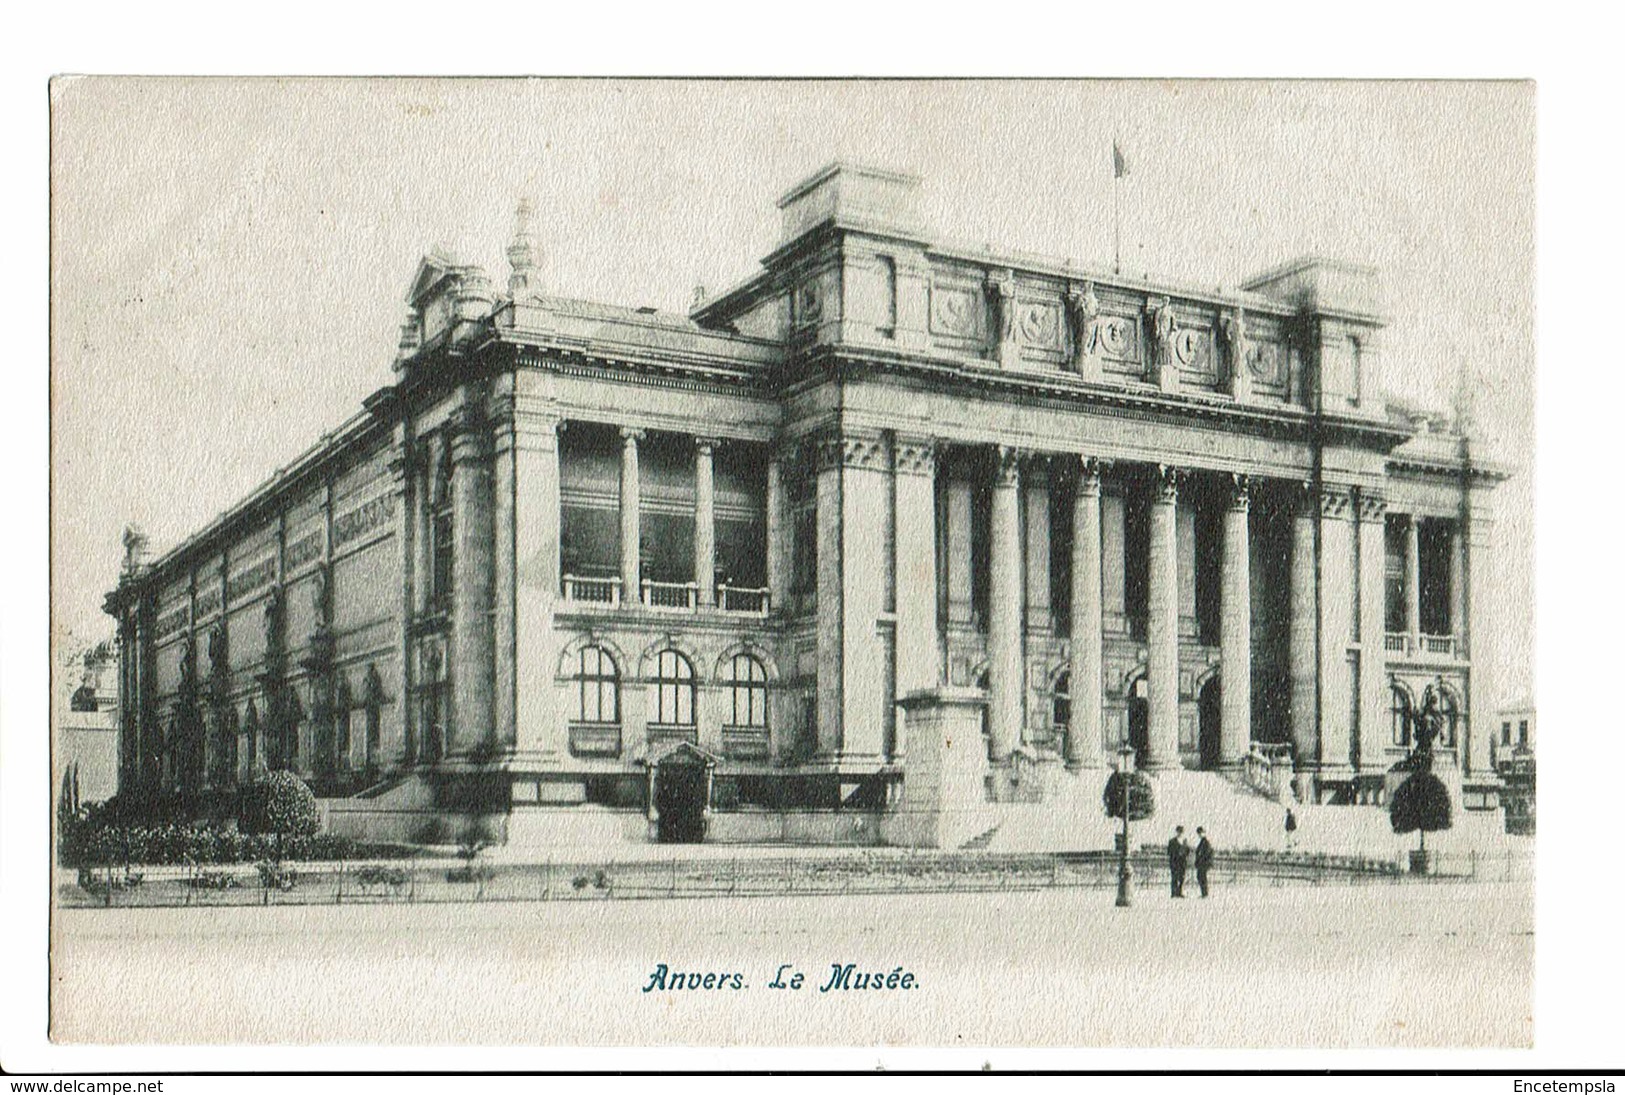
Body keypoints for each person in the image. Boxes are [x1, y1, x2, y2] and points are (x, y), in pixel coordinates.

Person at [1167, 826, 1191, 897]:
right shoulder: (1172, 841)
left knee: (1181, 878)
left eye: (1181, 832)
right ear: (1176, 832)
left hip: (1182, 863)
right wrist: (1177, 854)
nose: (1180, 833)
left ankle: (1179, 892)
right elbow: (1169, 852)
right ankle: (1173, 893)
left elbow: (1187, 851)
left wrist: (1185, 853)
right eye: (1179, 832)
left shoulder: (1185, 841)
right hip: (1174, 863)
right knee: (1174, 878)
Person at [1194, 828, 1214, 898]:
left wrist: (1202, 860)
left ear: (1204, 833)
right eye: (1198, 833)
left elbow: (1207, 853)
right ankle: (1204, 893)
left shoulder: (1206, 842)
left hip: (1204, 863)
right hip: (1201, 863)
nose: (1199, 835)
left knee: (1202, 877)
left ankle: (1205, 893)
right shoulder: (1202, 842)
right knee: (1200, 877)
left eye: (1200, 833)